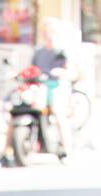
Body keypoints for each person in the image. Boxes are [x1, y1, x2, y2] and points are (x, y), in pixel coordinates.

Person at [30, 15, 73, 158]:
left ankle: (67, 148)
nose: (46, 35)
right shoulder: (39, 52)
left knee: (57, 111)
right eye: (44, 32)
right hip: (40, 86)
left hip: (56, 86)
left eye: (49, 32)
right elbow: (32, 69)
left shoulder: (61, 51)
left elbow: (70, 70)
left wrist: (62, 72)